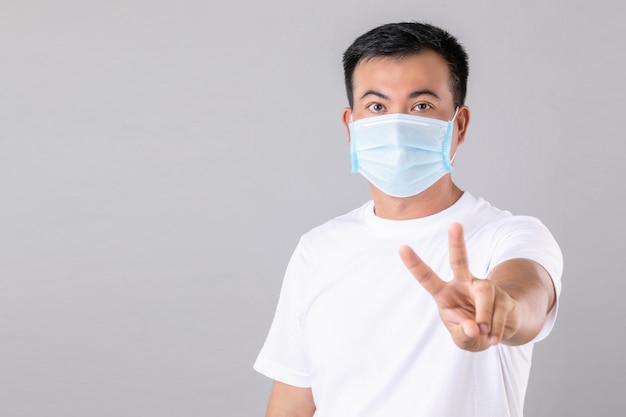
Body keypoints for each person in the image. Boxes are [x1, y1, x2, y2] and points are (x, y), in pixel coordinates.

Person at [254, 21, 563, 417]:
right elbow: (291, 404)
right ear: (352, 126)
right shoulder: (317, 250)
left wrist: (500, 310)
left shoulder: (509, 236)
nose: (396, 126)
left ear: (460, 125)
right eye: (377, 106)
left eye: (421, 106)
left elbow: (526, 294)